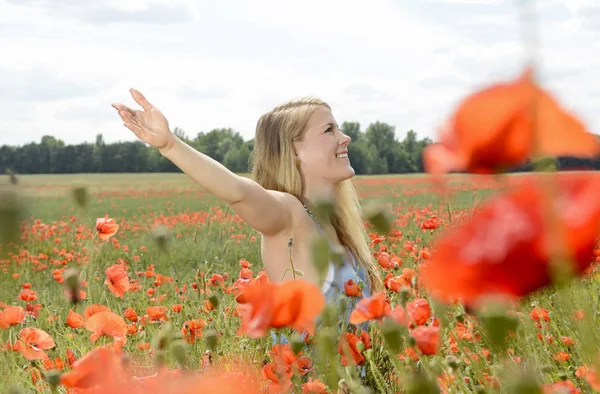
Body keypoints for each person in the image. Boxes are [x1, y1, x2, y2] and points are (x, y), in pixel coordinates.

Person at [111, 89, 384, 315]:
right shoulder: (290, 215)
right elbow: (238, 191)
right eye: (329, 130)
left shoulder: (336, 227)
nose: (345, 137)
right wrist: (170, 145)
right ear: (293, 150)